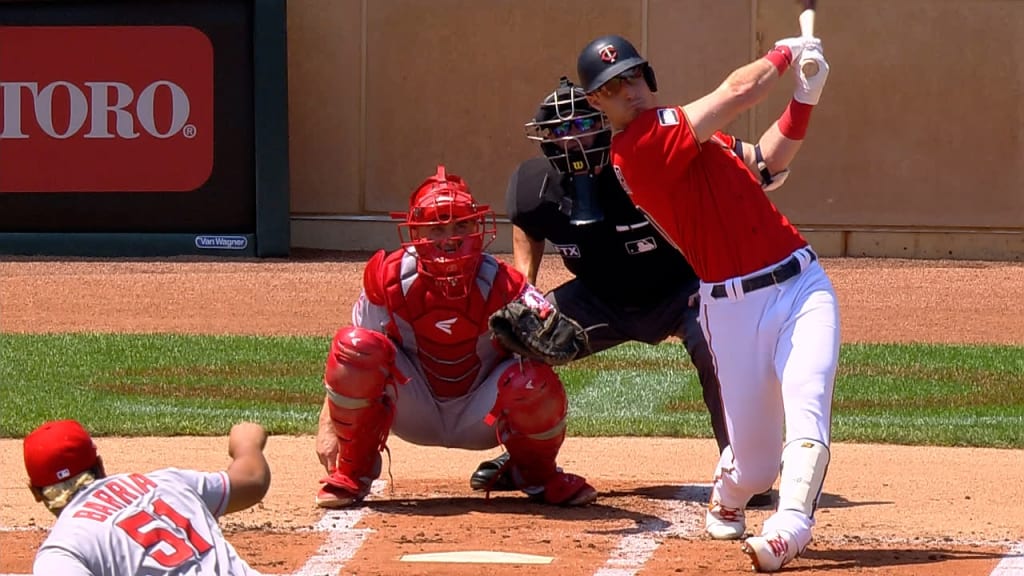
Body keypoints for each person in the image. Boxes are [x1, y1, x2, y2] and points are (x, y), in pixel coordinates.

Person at [575, 34, 838, 572]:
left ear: (649, 77)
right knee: (757, 466)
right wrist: (786, 53)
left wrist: (805, 99)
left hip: (801, 285)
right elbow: (739, 89)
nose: (629, 91)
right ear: (596, 103)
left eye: (633, 76)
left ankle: (790, 526)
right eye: (611, 87)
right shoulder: (639, 146)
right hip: (731, 308)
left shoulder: (685, 128)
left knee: (807, 407)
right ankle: (732, 488)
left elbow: (765, 162)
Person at [468, 76, 768, 508]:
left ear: (605, 124)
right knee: (521, 337)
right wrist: (526, 290)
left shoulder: (640, 165)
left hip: (681, 289)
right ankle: (525, 460)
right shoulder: (535, 186)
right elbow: (528, 227)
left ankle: (744, 468)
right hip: (598, 297)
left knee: (715, 343)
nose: (571, 141)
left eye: (582, 127)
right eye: (557, 132)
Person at [314, 164, 597, 509]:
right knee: (355, 347)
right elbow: (349, 363)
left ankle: (537, 475)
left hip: (481, 415)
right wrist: (327, 425)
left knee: (533, 380)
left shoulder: (505, 284)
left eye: (461, 224)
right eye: (437, 227)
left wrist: (547, 340)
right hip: (414, 406)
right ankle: (353, 471)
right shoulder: (388, 279)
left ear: (478, 228)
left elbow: (552, 339)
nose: (450, 238)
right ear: (417, 234)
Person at [24, 419, 271, 575]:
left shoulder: (62, 549)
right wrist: (247, 442)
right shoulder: (165, 482)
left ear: (36, 492)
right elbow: (252, 480)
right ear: (99, 465)